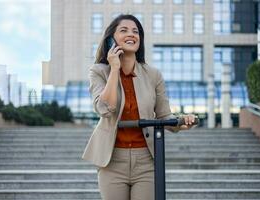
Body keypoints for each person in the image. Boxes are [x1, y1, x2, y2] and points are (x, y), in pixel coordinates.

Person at [82, 14, 196, 200]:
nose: (131, 34)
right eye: (124, 30)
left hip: (146, 160)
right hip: (112, 160)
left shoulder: (153, 75)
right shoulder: (98, 71)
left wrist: (184, 121)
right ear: (112, 39)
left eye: (136, 31)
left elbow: (164, 116)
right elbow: (104, 108)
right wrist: (114, 69)